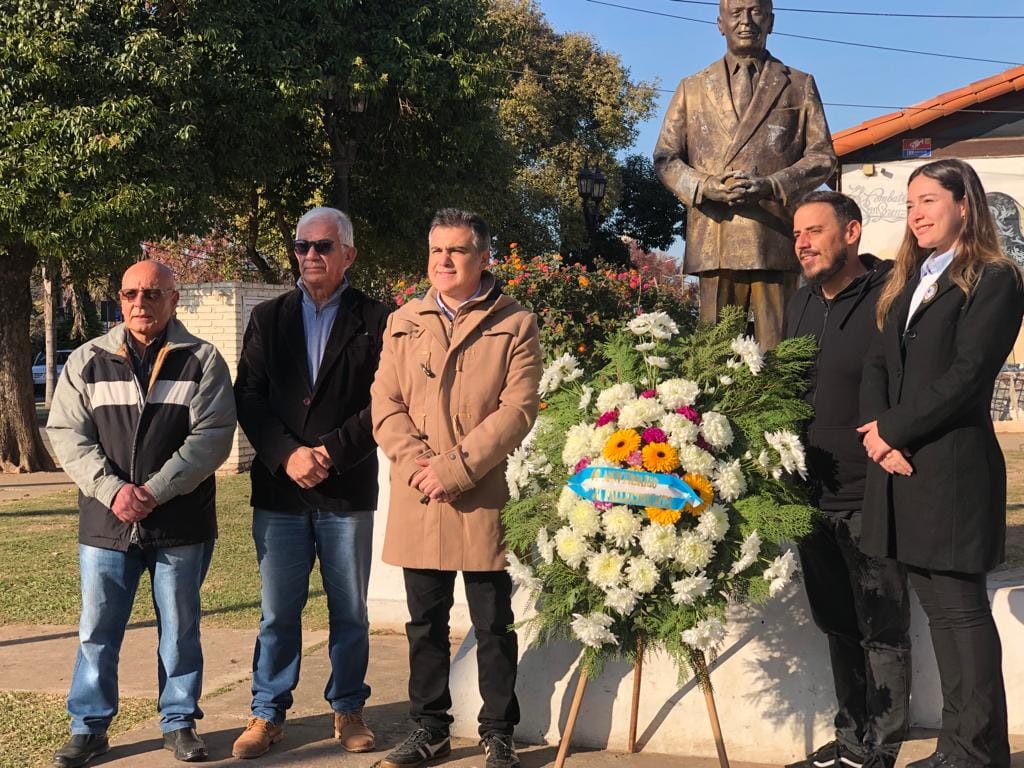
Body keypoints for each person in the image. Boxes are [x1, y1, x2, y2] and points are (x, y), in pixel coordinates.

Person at [859, 159, 1024, 768]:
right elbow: (877, 363)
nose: (916, 214)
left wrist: (893, 429)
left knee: (961, 615)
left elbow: (966, 376)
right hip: (902, 469)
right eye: (909, 204)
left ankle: (976, 754)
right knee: (938, 615)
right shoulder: (907, 281)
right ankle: (956, 748)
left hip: (953, 469)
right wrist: (878, 436)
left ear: (964, 204)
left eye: (928, 200)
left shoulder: (995, 279)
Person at [46, 260, 236, 767]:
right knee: (97, 629)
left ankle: (178, 722)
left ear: (174, 299)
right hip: (106, 523)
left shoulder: (202, 359)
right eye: (130, 293)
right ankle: (88, 728)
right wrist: (113, 491)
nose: (139, 304)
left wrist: (152, 491)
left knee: (180, 626)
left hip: (180, 522)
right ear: (119, 297)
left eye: (152, 293)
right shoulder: (88, 359)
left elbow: (213, 437)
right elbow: (66, 434)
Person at [371, 208, 542, 768]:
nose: (444, 261)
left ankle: (497, 731)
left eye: (458, 251)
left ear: (484, 258)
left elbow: (517, 410)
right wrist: (422, 464)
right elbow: (385, 404)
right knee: (424, 624)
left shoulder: (514, 322)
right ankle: (430, 729)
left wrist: (454, 469)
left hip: (481, 491)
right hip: (420, 492)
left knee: (493, 621)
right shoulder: (404, 320)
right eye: (436, 250)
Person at [230, 207, 389, 759]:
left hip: (345, 490)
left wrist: (331, 451)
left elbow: (385, 403)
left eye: (323, 246)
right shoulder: (268, 318)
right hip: (280, 492)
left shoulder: (377, 319)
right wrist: (286, 454)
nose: (311, 256)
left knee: (349, 611)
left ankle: (348, 709)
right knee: (278, 611)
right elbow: (246, 396)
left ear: (349, 254)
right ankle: (268, 713)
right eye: (302, 246)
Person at [783, 192, 911, 768]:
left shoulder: (891, 297)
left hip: (873, 494)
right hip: (811, 494)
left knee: (881, 626)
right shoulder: (799, 303)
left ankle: (882, 748)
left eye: (814, 231)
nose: (802, 243)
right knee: (836, 623)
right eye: (797, 234)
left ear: (852, 232)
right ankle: (852, 739)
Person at [653, 0, 836, 349]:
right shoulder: (692, 88)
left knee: (779, 352)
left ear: (771, 20)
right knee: (715, 354)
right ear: (719, 23)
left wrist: (771, 184)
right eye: (736, 13)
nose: (746, 21)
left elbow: (823, 157)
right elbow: (665, 158)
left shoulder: (798, 84)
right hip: (714, 233)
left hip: (774, 232)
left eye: (755, 12)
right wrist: (705, 187)